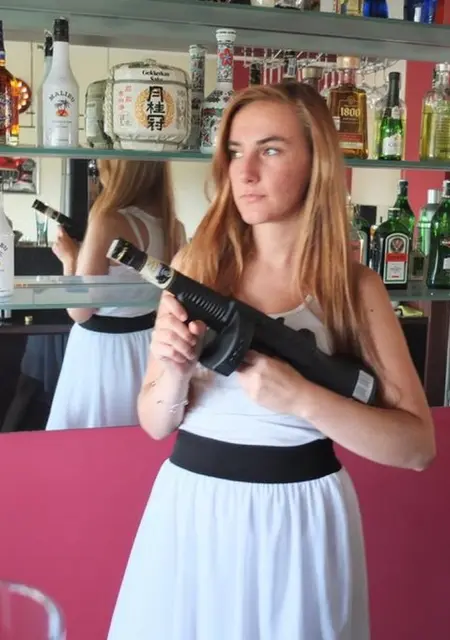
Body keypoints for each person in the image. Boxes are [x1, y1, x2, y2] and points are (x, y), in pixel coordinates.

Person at [107, 83, 435, 639]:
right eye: (235, 152)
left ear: (316, 163)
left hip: (300, 521)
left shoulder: (352, 289)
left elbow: (417, 449)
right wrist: (176, 371)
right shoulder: (197, 265)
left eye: (271, 149)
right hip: (192, 511)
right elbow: (155, 423)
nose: (246, 172)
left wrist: (303, 398)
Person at [46, 159, 186, 430]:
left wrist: (70, 260)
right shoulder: (174, 227)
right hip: (148, 344)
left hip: (102, 351)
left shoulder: (108, 220)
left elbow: (79, 311)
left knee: (90, 441)